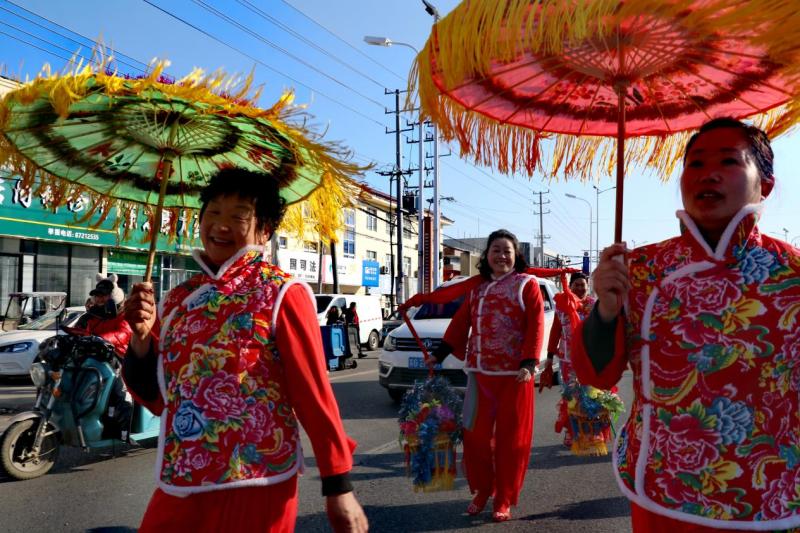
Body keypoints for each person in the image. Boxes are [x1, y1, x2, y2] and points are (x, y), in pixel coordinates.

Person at [572, 117, 800, 532]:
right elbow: (598, 375)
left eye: (729, 160)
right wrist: (604, 311)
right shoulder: (639, 269)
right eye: (694, 164)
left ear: (764, 184)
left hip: (771, 491)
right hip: (663, 487)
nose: (707, 174)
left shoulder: (793, 273)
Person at [123, 167, 368, 533]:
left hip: (257, 481)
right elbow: (160, 398)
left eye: (238, 216)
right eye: (213, 212)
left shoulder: (284, 293)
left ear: (265, 230)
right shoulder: (178, 298)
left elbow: (313, 394)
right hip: (183, 476)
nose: (221, 225)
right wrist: (141, 340)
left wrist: (338, 484)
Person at [429, 229, 544, 522]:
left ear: (516, 255)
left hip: (514, 377)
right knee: (475, 439)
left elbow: (536, 323)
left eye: (507, 250)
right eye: (496, 250)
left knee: (510, 441)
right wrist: (439, 353)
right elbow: (461, 322)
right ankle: (483, 489)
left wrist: (529, 363)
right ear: (487, 256)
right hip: (480, 375)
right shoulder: (478, 289)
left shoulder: (526, 284)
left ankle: (503, 497)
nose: (501, 256)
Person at [546, 272, 622, 454]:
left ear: (588, 287)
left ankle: (595, 433)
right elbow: (555, 333)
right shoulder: (562, 307)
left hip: (592, 359)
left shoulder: (596, 306)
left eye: (583, 285)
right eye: (576, 285)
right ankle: (572, 432)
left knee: (593, 396)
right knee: (571, 397)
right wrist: (549, 357)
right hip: (568, 361)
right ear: (570, 286)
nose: (580, 288)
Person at [75, 273, 132, 358]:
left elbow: (121, 335)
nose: (99, 299)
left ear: (114, 297)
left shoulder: (125, 315)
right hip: (92, 358)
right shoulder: (90, 316)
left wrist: (99, 339)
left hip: (118, 359)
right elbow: (79, 332)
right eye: (97, 295)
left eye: (104, 295)